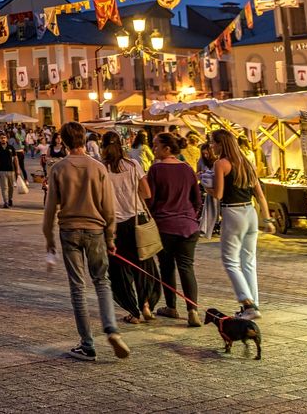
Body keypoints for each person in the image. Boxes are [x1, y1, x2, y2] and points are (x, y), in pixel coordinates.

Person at [41, 122, 130, 362]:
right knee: (102, 282)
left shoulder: (59, 168)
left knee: (77, 287)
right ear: (84, 139)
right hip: (96, 230)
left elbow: (50, 208)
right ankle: (111, 329)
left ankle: (87, 344)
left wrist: (49, 239)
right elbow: (109, 207)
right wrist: (110, 236)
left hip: (69, 230)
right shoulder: (98, 168)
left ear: (65, 141)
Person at [208, 128, 272, 321]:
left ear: (221, 144)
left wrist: (205, 186)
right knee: (248, 262)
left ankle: (247, 303)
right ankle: (254, 305)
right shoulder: (246, 163)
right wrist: (267, 219)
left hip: (233, 212)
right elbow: (260, 195)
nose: (211, 146)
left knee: (230, 261)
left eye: (213, 143)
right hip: (250, 212)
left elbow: (218, 195)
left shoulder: (221, 164)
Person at [101, 131, 159, 325]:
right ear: (121, 145)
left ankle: (133, 311)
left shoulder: (101, 169)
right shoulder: (134, 165)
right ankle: (146, 305)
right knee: (143, 263)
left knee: (119, 270)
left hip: (114, 225)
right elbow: (147, 192)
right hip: (137, 220)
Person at [146, 131, 202, 328]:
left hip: (165, 226)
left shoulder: (156, 169)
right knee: (187, 267)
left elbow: (150, 200)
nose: (153, 148)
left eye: (155, 145)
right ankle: (192, 310)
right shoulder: (187, 169)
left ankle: (171, 306)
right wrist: (191, 217)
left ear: (167, 148)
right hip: (188, 226)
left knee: (167, 267)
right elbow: (197, 199)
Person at [0, 131, 20, 208]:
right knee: (4, 187)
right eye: (1, 138)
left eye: (4, 138)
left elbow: (16, 159)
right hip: (2, 170)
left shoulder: (11, 148)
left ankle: (10, 199)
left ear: (7, 139)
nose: (3, 139)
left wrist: (18, 169)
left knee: (11, 187)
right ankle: (6, 202)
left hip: (11, 170)